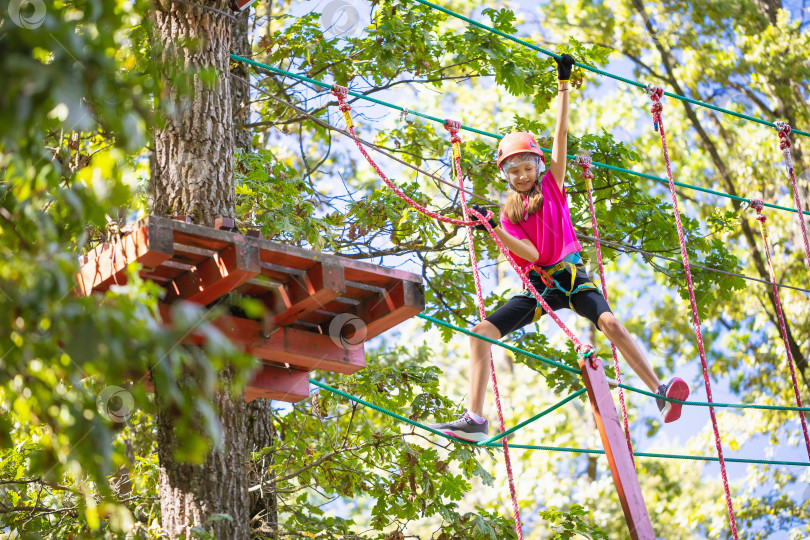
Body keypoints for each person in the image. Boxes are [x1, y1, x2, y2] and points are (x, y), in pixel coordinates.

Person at [430, 54, 690, 443]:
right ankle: (476, 418)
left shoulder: (552, 184)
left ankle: (660, 393)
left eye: (527, 167)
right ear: (506, 175)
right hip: (542, 287)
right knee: (479, 333)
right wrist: (489, 226)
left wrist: (563, 85)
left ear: (538, 165)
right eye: (513, 170)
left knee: (612, 324)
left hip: (574, 277)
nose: (521, 175)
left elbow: (561, 135)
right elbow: (531, 257)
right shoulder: (508, 215)